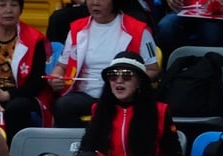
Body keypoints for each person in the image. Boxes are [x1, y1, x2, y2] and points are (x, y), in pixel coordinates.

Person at [78, 51, 184, 156]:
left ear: (139, 80)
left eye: (127, 76)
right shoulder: (98, 110)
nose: (119, 81)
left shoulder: (160, 111)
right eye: (113, 76)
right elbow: (86, 151)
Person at [48, 0, 159, 128]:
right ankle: (77, 146)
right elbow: (62, 66)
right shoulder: (76, 28)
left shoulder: (139, 30)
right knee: (63, 105)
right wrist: (56, 77)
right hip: (84, 95)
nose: (95, 3)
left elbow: (153, 70)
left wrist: (129, 80)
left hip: (121, 94)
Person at [0, 0, 53, 142]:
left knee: (16, 108)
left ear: (21, 10)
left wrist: (6, 95)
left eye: (14, 5)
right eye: (2, 5)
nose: (9, 10)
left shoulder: (35, 39)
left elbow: (37, 83)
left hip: (21, 93)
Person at [154, 0, 223, 57]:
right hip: (181, 10)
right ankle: (175, 71)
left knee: (212, 32)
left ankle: (209, 71)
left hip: (216, 14)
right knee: (166, 26)